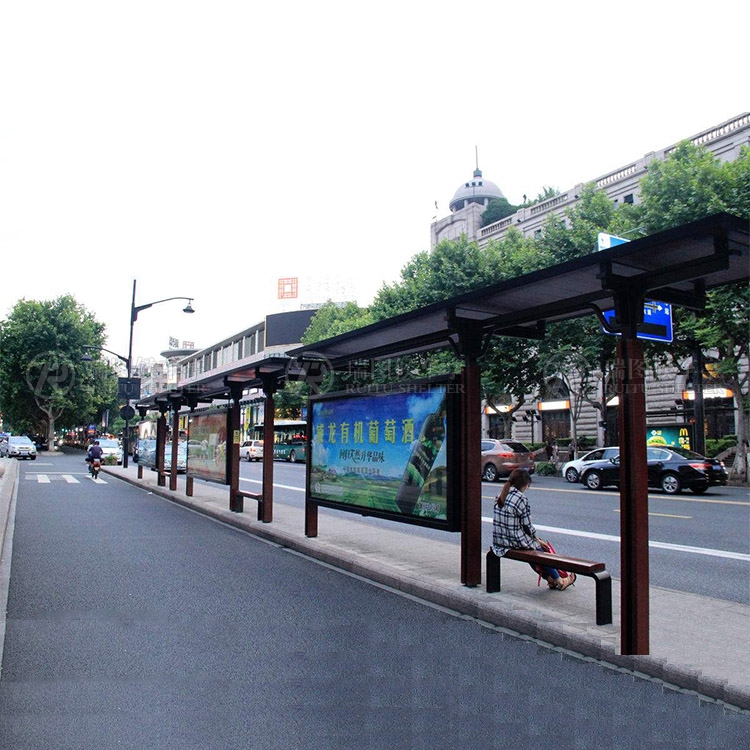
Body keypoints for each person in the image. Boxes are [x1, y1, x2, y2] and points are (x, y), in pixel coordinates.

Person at [492, 468, 576, 591]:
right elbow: (528, 526)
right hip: (512, 542)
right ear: (526, 484)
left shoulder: (500, 495)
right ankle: (560, 580)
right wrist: (537, 540)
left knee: (533, 550)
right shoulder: (521, 498)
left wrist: (536, 540)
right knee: (539, 551)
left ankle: (550, 579)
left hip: (499, 542)